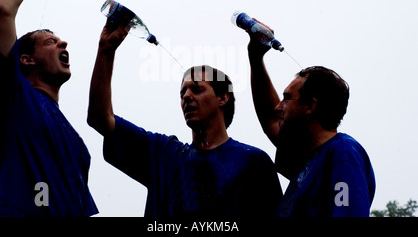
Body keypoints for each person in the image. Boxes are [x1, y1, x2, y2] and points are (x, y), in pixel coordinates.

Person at [87, 19, 283, 217]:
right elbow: (100, 119)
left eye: (197, 89)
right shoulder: (163, 154)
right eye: (183, 93)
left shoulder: (253, 162)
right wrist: (106, 48)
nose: (187, 96)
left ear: (223, 98)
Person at [0, 0, 98, 216]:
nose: (63, 42)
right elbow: (2, 10)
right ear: (26, 60)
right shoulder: (12, 96)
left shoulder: (78, 145)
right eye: (51, 41)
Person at [247, 20, 375, 217]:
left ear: (311, 106)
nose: (278, 106)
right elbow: (270, 119)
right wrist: (255, 57)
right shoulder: (306, 159)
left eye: (287, 98)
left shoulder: (343, 154)